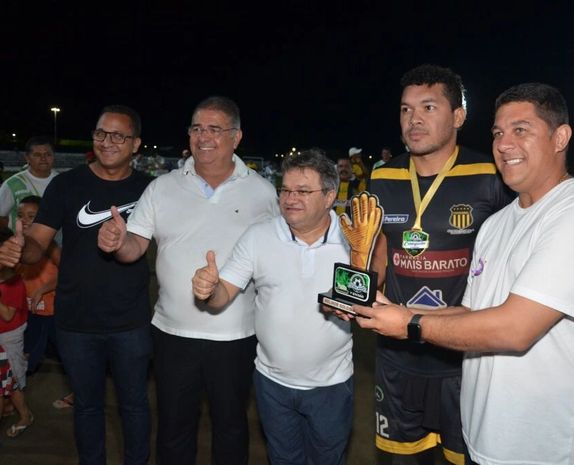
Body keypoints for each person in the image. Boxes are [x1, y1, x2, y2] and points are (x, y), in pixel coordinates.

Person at [354, 82, 574, 465]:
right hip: (487, 438)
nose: (504, 143)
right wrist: (389, 311)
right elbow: (471, 312)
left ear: (560, 137)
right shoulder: (498, 223)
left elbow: (515, 329)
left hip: (551, 447)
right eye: (498, 132)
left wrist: (411, 324)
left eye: (521, 130)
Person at [97, 96, 279, 465]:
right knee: (174, 427)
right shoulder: (162, 187)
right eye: (197, 128)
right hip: (172, 333)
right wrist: (118, 243)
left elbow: (276, 257)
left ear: (236, 137)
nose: (203, 137)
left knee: (230, 426)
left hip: (235, 336)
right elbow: (135, 247)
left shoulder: (262, 193)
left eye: (215, 129)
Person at [367, 64, 511, 465]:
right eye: (406, 109)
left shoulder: (490, 176)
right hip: (396, 356)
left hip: (462, 361)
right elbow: (379, 252)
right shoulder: (383, 176)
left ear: (458, 116)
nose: (414, 119)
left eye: (429, 107)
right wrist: (356, 295)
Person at [0, 105, 153, 464]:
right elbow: (38, 242)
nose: (108, 141)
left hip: (131, 321)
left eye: (119, 135)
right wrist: (22, 249)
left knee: (134, 406)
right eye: (101, 133)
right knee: (87, 407)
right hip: (76, 322)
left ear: (136, 144)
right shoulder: (67, 184)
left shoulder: (151, 188)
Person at [192, 149, 353, 465]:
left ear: (329, 196)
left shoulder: (353, 241)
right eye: (286, 190)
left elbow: (375, 296)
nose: (291, 198)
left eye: (303, 191)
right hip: (272, 384)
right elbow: (223, 294)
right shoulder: (259, 236)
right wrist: (207, 290)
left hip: (330, 387)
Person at [16, 195, 60, 374]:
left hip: (51, 312)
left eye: (31, 216)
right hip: (29, 310)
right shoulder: (17, 243)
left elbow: (67, 273)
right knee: (27, 355)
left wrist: (42, 289)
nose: (24, 220)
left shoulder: (50, 246)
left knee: (66, 353)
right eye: (21, 215)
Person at [0, 227, 33, 438]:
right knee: (5, 381)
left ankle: (25, 415)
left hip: (9, 335)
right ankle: (11, 407)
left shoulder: (13, 282)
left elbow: (7, 316)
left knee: (14, 380)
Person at [0, 136, 58, 231]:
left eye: (48, 154)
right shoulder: (13, 184)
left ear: (53, 156)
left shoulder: (62, 181)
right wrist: (15, 233)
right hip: (23, 242)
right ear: (27, 158)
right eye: (37, 155)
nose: (43, 158)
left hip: (54, 242)